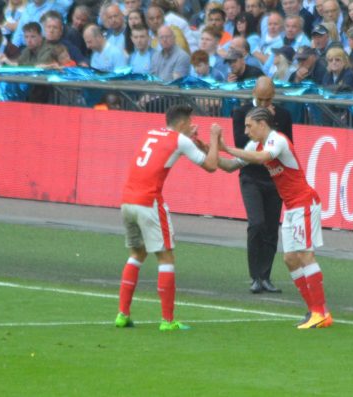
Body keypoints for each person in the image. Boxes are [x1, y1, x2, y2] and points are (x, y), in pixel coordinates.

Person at [218, 106, 333, 329]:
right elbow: (231, 166)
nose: (246, 131)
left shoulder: (277, 140)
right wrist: (209, 150)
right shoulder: (256, 144)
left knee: (305, 255)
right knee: (290, 259)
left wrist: (228, 148)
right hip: (291, 207)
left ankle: (321, 312)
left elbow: (261, 158)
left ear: (262, 125)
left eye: (249, 126)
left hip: (304, 203)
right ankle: (314, 311)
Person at [115, 104, 221, 331]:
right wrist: (213, 138)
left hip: (127, 200)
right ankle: (168, 320)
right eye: (190, 121)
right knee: (166, 258)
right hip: (148, 201)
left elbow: (167, 148)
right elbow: (211, 165)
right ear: (182, 123)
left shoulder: (151, 133)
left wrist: (190, 139)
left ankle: (122, 314)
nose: (193, 124)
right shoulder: (179, 140)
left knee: (137, 253)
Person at [231, 76, 292, 294]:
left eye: (268, 99)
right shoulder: (241, 113)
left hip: (274, 178)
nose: (265, 104)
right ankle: (254, 275)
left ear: (273, 95)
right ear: (254, 93)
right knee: (256, 223)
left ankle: (265, 275)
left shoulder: (283, 115)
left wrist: (273, 124)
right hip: (251, 177)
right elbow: (241, 143)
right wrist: (264, 127)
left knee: (270, 228)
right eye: (261, 99)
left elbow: (287, 144)